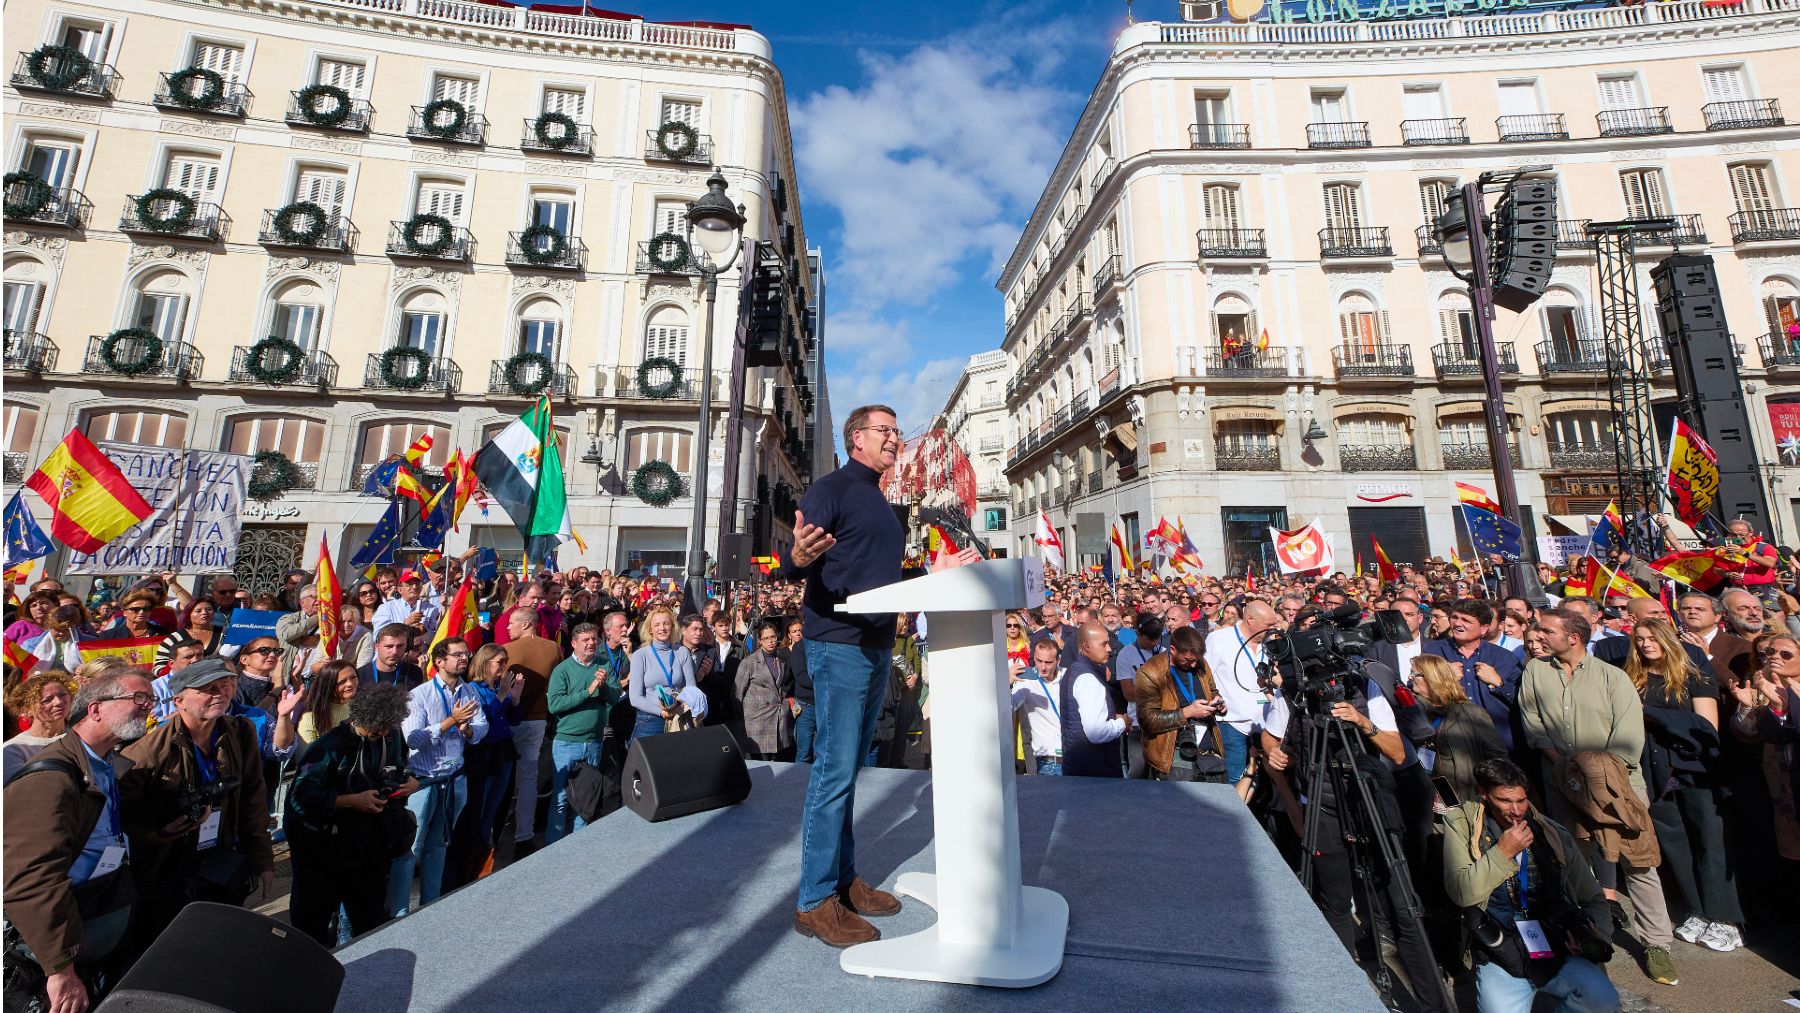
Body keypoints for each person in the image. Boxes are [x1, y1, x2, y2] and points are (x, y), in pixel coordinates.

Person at [787, 404, 913, 948]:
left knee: (851, 771)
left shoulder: (880, 498)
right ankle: (815, 900)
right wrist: (794, 556)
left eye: (895, 431)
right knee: (834, 774)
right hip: (838, 647)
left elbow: (875, 572)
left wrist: (932, 574)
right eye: (885, 430)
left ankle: (843, 881)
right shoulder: (831, 488)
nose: (894, 438)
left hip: (876, 645)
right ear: (856, 437)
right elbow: (797, 558)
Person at [1262, 650, 1449, 1013]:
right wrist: (1275, 754)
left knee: (1401, 906)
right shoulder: (1293, 695)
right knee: (1335, 904)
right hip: (1323, 804)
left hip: (1370, 801)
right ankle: (1342, 995)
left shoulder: (1366, 689)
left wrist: (1362, 722)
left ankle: (1433, 1005)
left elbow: (1396, 753)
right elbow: (1271, 737)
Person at [1517, 609, 1679, 986]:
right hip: (1561, 783)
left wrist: (1593, 773)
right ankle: (1591, 935)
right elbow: (1533, 724)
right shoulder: (1535, 672)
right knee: (1576, 860)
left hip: (1618, 787)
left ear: (1573, 637)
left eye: (1547, 630)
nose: (1537, 636)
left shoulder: (1613, 677)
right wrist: (1564, 767)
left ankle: (1657, 944)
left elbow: (1628, 739)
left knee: (1637, 863)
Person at [2, 669, 155, 1013]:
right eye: (138, 698)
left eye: (151, 698)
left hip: (98, 918)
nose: (147, 707)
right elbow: (32, 881)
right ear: (95, 709)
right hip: (59, 949)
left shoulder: (103, 762)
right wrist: (60, 970)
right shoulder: (49, 777)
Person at [120, 658, 276, 948]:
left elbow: (254, 799)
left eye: (225, 685)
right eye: (208, 689)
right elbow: (121, 819)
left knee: (219, 944)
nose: (220, 693)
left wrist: (262, 859)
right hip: (167, 875)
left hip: (220, 863)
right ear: (179, 700)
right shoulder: (145, 753)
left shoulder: (239, 732)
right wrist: (156, 833)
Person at [1441, 758, 1618, 1013]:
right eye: (1504, 800)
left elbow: (1594, 898)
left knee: (1601, 1001)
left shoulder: (1551, 833)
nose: (1515, 810)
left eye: (1521, 800)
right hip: (1500, 949)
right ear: (1485, 795)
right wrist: (1502, 853)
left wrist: (1593, 937)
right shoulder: (1462, 826)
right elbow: (1462, 893)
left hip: (1554, 943)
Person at [1624, 617, 1741, 952]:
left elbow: (1706, 726)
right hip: (1653, 770)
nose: (1646, 644)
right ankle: (1699, 910)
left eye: (1652, 638)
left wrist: (1653, 714)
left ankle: (1725, 917)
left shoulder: (1693, 672)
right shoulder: (1632, 677)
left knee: (1709, 840)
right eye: (1640, 639)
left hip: (1694, 769)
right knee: (1675, 842)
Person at [285, 682, 417, 948]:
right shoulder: (330, 746)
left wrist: (409, 782)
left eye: (385, 729)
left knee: (370, 921)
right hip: (325, 852)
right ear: (362, 717)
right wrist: (349, 801)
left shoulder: (388, 735)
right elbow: (300, 798)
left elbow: (399, 767)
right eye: (375, 729)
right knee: (312, 928)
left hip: (370, 849)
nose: (380, 733)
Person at [389, 639, 487, 916]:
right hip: (424, 782)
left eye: (465, 654)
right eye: (457, 655)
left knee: (440, 845)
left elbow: (481, 730)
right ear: (439, 661)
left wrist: (467, 730)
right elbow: (414, 739)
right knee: (411, 849)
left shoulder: (469, 691)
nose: (464, 659)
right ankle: (398, 911)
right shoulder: (419, 695)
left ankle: (430, 905)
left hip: (455, 779)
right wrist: (450, 722)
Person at [545, 623, 620, 842]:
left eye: (594, 639)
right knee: (560, 798)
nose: (591, 643)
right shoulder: (563, 669)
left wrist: (604, 686)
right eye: (585, 640)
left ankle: (578, 845)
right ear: (574, 643)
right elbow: (555, 704)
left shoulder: (603, 664)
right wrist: (587, 692)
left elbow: (615, 697)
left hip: (594, 741)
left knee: (587, 797)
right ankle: (553, 847)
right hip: (567, 742)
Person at [453, 643, 522, 880]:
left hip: (504, 752)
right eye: (499, 662)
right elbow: (483, 723)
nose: (504, 666)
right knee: (479, 808)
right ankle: (472, 858)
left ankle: (485, 853)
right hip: (484, 754)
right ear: (485, 663)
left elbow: (514, 721)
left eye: (506, 661)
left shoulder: (501, 686)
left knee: (495, 807)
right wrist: (501, 696)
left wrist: (514, 699)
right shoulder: (473, 689)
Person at [1423, 601, 1524, 756]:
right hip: (1449, 741)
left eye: (1466, 620)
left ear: (1483, 628)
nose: (1457, 623)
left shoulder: (1504, 658)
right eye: (1455, 617)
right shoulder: (1431, 651)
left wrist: (1499, 683)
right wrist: (1444, 679)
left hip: (1495, 740)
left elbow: (1522, 700)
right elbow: (1416, 690)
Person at [1407, 654, 1506, 809]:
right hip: (1430, 799)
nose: (1409, 677)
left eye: (1415, 674)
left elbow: (1498, 758)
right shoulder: (1412, 713)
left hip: (1470, 800)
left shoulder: (1471, 713)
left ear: (1431, 678)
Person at [499, 606, 560, 854]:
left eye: (512, 622)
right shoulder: (554, 648)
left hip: (509, 720)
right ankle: (524, 835)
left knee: (503, 779)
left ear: (526, 624)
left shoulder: (508, 651)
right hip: (537, 720)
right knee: (528, 778)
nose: (507, 627)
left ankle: (497, 831)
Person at [1133, 626, 1226, 783]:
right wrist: (1188, 712)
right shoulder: (1150, 672)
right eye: (1188, 660)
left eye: (1196, 660)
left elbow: (1213, 691)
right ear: (1173, 649)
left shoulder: (1200, 663)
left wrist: (1218, 703)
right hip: (1173, 757)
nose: (1193, 665)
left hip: (1208, 753)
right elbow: (1147, 720)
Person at [1203, 599, 1277, 785]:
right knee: (1236, 779)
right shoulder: (1219, 639)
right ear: (1250, 619)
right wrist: (1215, 699)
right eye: (1268, 625)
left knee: (1267, 781)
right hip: (1232, 724)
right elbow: (1205, 677)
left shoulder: (1271, 644)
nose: (1272, 629)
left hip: (1266, 726)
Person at [1059, 624, 1130, 778]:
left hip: (1082, 766)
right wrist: (1122, 723)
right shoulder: (1087, 679)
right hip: (1095, 770)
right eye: (1103, 644)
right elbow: (1096, 733)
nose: (1109, 649)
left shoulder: (1076, 670)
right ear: (1086, 646)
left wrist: (1112, 718)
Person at [629, 606, 695, 740]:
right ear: (650, 629)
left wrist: (677, 707)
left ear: (672, 626)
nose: (662, 628)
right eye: (657, 625)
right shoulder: (640, 655)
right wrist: (661, 712)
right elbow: (635, 698)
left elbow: (691, 689)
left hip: (678, 716)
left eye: (666, 623)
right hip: (650, 719)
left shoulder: (682, 652)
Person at [735, 620, 794, 761]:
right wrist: (743, 716)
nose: (770, 641)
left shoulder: (780, 660)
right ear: (760, 641)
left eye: (772, 637)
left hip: (777, 718)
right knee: (760, 762)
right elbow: (737, 693)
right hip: (756, 720)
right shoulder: (749, 662)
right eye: (766, 638)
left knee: (777, 760)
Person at [1010, 638, 1066, 775]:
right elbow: (1008, 709)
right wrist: (1007, 683)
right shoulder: (1026, 681)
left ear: (1057, 661)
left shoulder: (1068, 675)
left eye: (1048, 662)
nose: (1043, 667)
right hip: (1048, 763)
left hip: (1073, 758)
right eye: (1039, 661)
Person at [4, 673, 74, 777]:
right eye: (47, 700)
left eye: (63, 694)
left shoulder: (83, 735)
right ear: (27, 711)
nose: (58, 702)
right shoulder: (13, 749)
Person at [1676, 592, 1754, 686]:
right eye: (1686, 608)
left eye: (1700, 609)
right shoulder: (1671, 641)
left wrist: (1707, 657)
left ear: (1717, 616)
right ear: (1679, 614)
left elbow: (1739, 685)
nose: (1692, 612)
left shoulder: (1742, 646)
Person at [297, 660, 359, 746]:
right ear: (328, 685)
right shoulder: (310, 719)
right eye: (342, 682)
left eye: (353, 677)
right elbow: (308, 756)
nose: (350, 684)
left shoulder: (360, 707)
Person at [359, 624, 424, 689]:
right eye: (389, 646)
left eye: (400, 646)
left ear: (407, 647)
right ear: (376, 647)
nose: (394, 652)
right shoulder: (359, 675)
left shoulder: (415, 672)